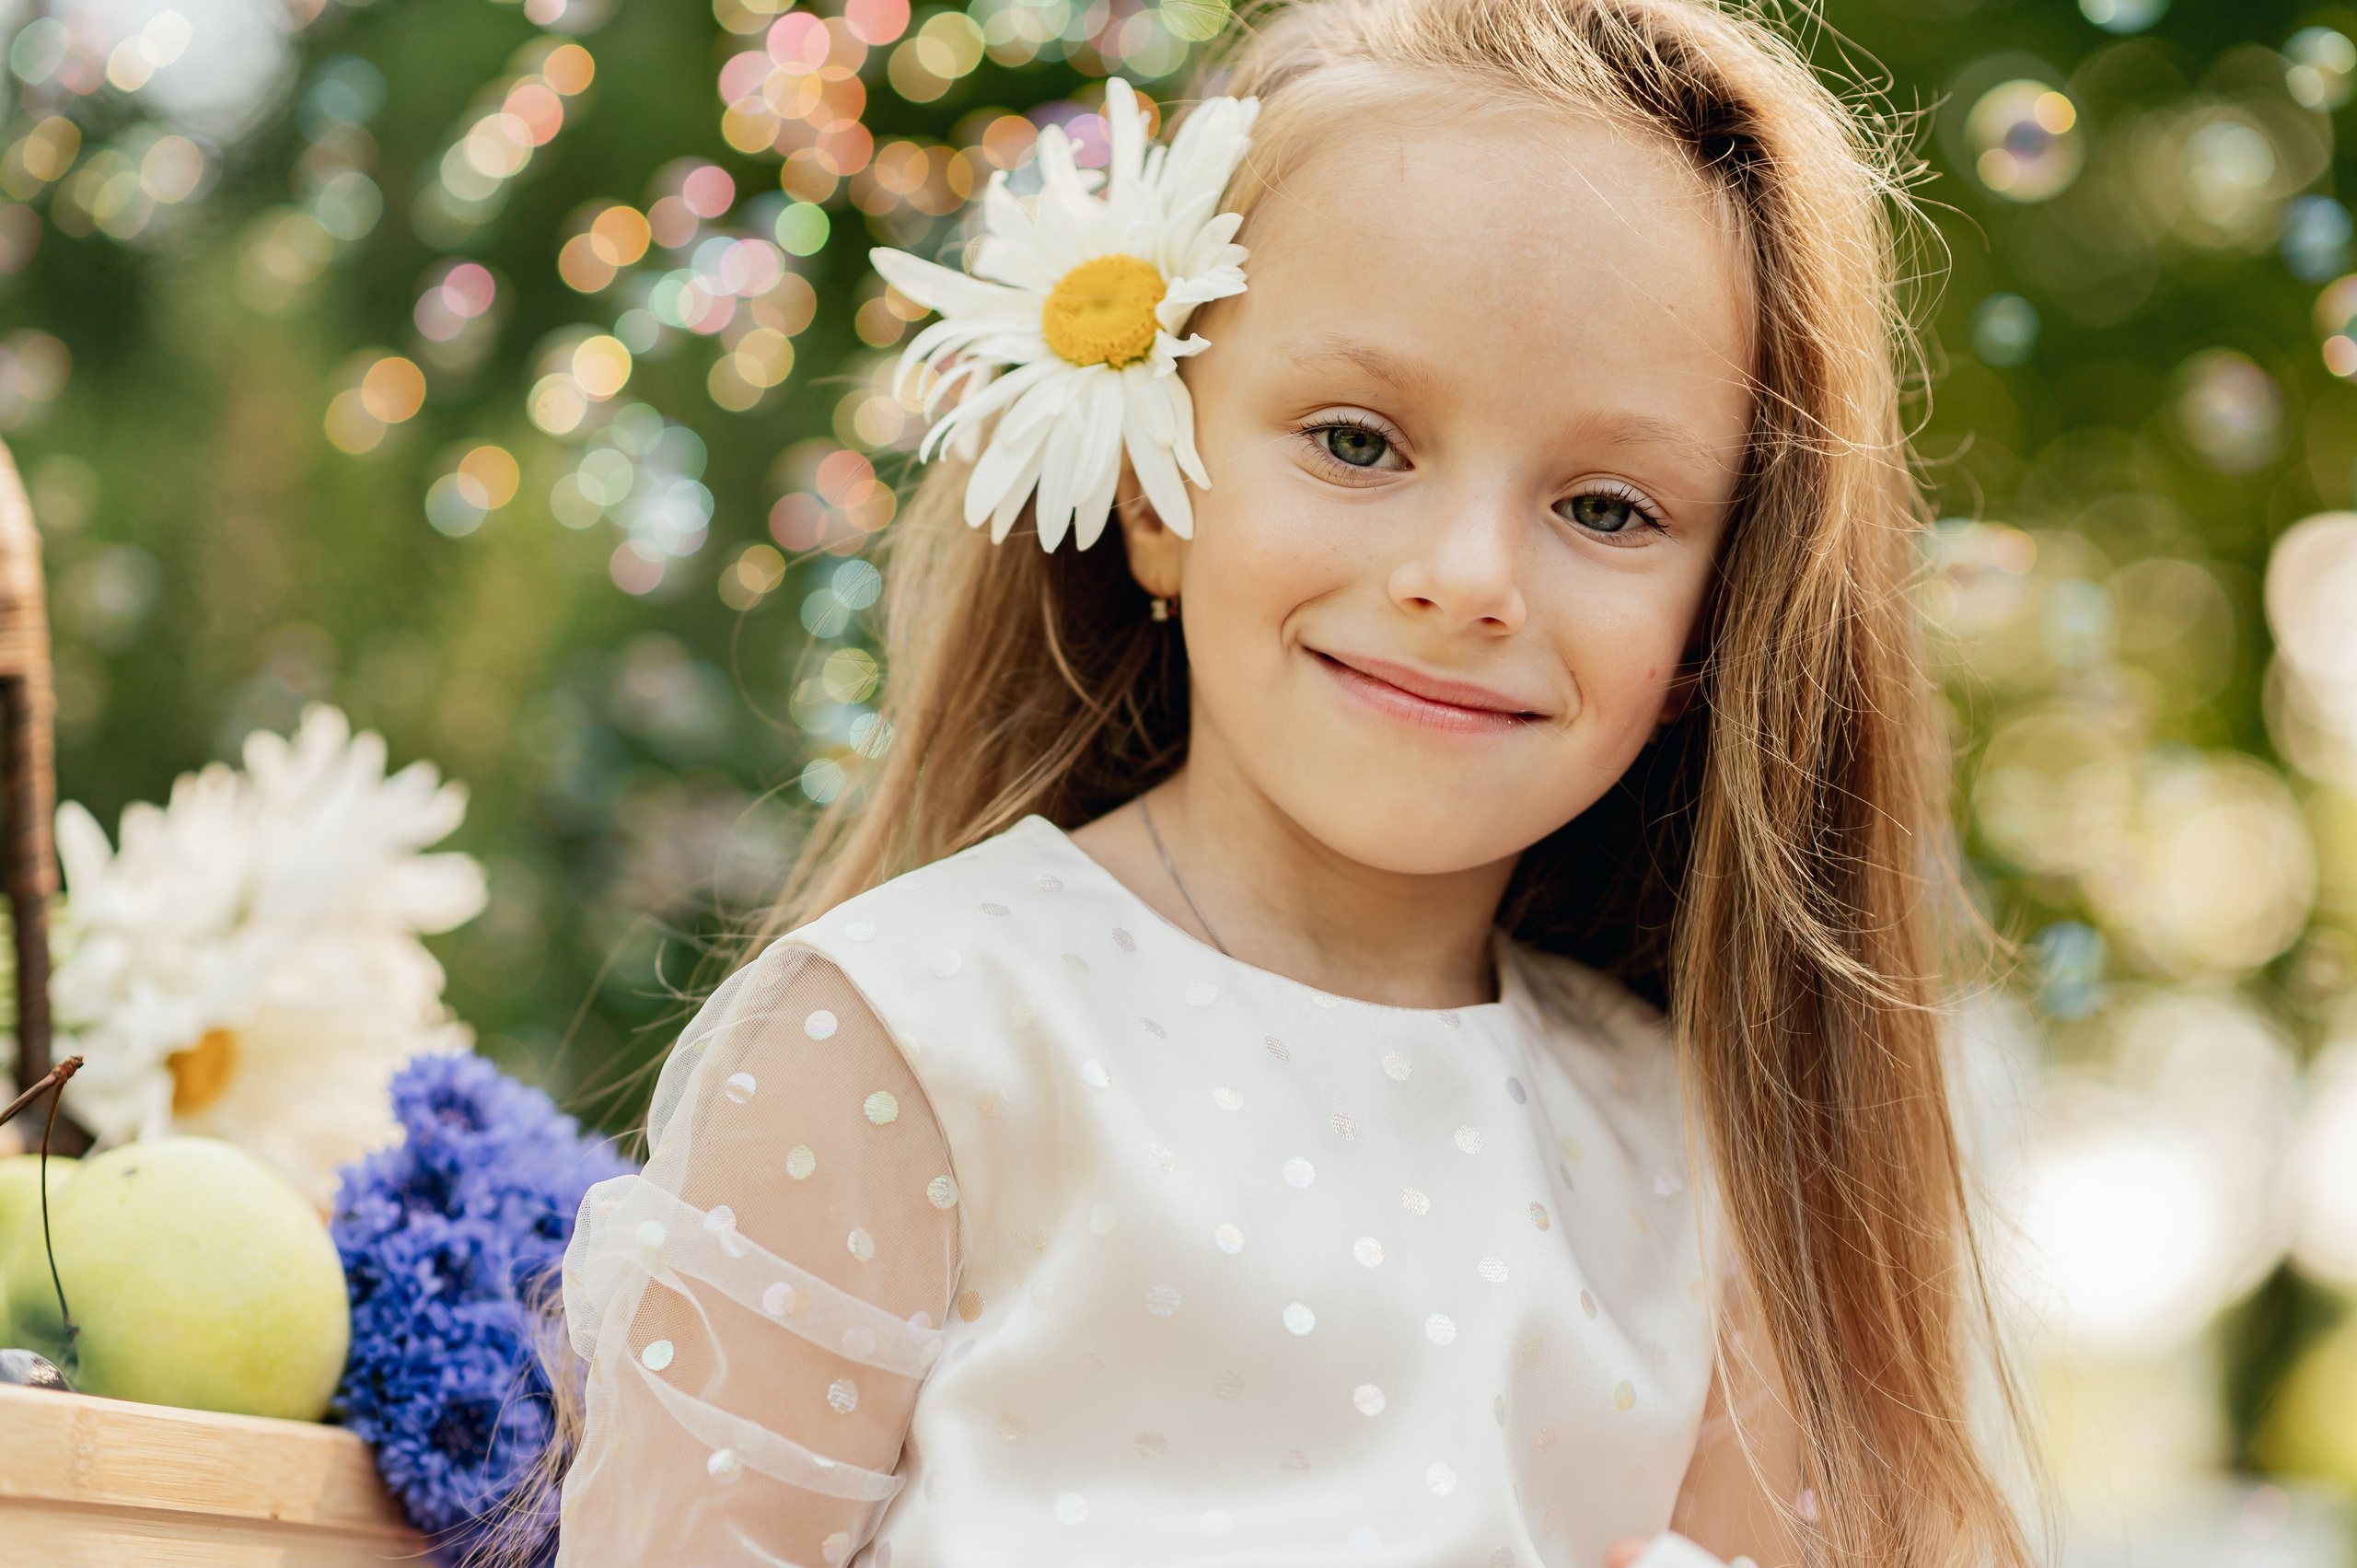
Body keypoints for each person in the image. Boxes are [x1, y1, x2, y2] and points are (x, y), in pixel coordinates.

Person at [549, 0, 2038, 1563]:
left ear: (1719, 626)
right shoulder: (912, 1040)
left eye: (1607, 509)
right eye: (1355, 441)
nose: (1466, 580)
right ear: (1150, 480)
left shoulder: (1695, 1160)